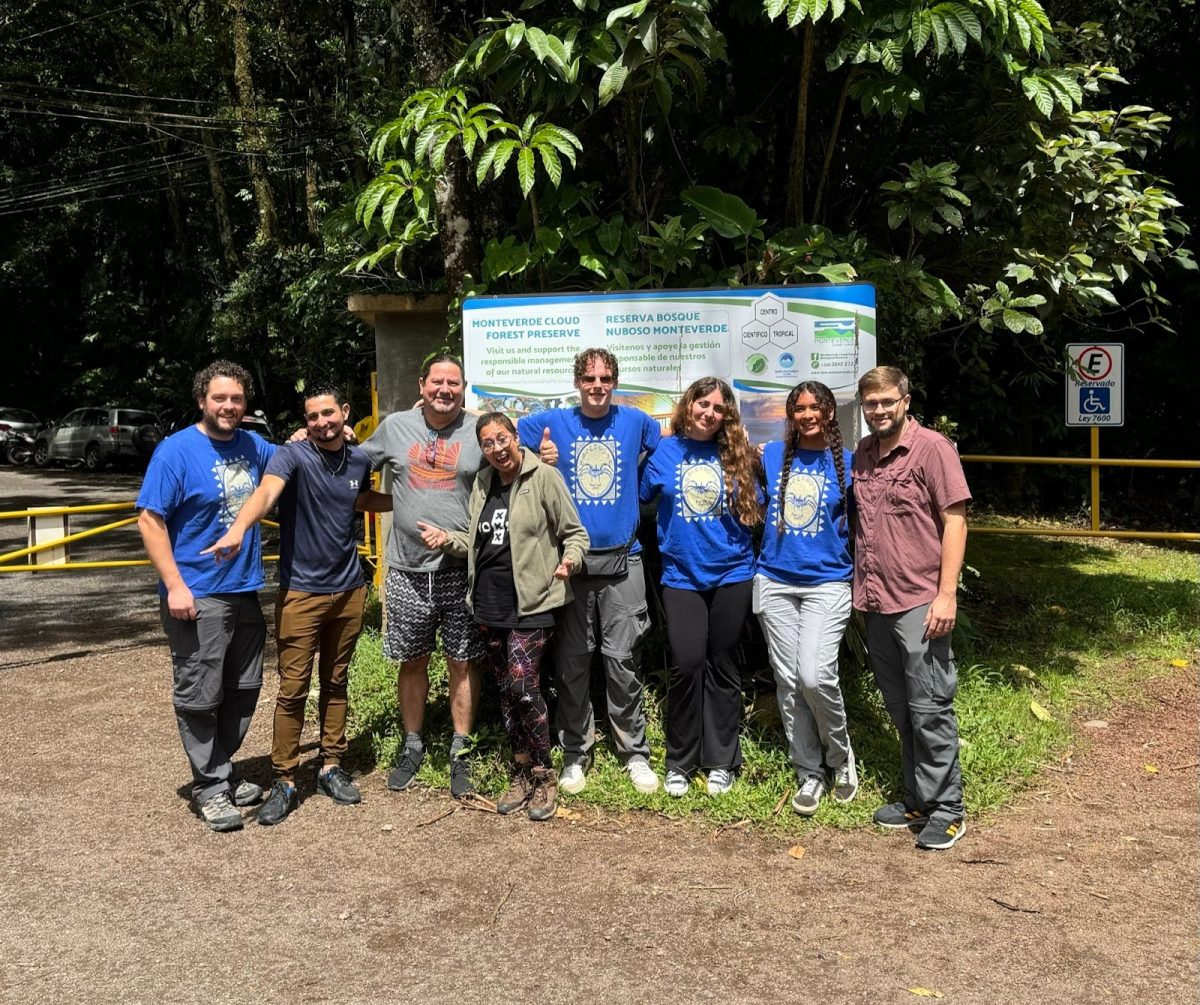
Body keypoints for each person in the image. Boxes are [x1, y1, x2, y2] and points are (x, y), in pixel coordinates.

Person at [202, 383, 392, 826]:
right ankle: (284, 779)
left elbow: (358, 499)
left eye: (329, 413)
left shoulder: (359, 458)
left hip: (348, 592)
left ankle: (330, 766)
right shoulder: (292, 456)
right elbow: (267, 494)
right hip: (301, 594)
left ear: (345, 411)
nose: (322, 423)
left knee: (337, 681)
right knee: (292, 690)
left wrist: (410, 501)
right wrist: (238, 530)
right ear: (304, 422)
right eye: (312, 417)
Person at [417, 413, 588, 821]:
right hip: (489, 604)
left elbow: (575, 533)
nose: (496, 448)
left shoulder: (543, 476)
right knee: (507, 695)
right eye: (487, 443)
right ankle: (521, 769)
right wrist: (448, 540)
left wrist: (570, 561)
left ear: (515, 438)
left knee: (524, 687)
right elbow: (478, 541)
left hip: (532, 603)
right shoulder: (482, 483)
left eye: (502, 439)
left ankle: (545, 776)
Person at [136, 360, 275, 832]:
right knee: (200, 692)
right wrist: (175, 584)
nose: (229, 406)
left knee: (244, 688)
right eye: (220, 398)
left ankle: (220, 765)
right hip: (197, 593)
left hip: (244, 588)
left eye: (236, 399)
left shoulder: (254, 446)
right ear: (202, 400)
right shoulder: (175, 452)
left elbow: (295, 461)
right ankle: (211, 787)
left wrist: (304, 437)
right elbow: (150, 520)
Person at [515, 348, 661, 796]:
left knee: (623, 661)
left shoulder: (637, 421)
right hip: (570, 564)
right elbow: (498, 437)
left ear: (615, 381)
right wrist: (536, 454)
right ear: (577, 381)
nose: (597, 386)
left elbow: (671, 444)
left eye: (606, 378)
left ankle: (634, 753)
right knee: (573, 663)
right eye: (589, 378)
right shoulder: (552, 422)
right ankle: (576, 752)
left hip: (624, 560)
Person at [357, 353, 488, 799]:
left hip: (462, 571)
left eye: (454, 383)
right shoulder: (395, 427)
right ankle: (412, 744)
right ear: (422, 384)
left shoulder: (478, 430)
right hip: (408, 570)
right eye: (437, 382)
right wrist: (382, 504)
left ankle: (461, 748)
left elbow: (512, 466)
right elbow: (348, 466)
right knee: (412, 660)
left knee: (462, 662)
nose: (445, 390)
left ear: (464, 388)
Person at [852, 366, 971, 850]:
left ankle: (949, 808)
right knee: (902, 710)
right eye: (870, 403)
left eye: (886, 402)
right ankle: (919, 798)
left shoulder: (932, 449)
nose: (879, 410)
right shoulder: (863, 453)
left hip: (920, 601)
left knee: (930, 709)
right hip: (876, 602)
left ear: (905, 401)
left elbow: (956, 520)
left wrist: (947, 593)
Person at [639, 377, 762, 797]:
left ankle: (721, 761)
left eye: (718, 408)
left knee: (723, 665)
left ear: (726, 415)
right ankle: (681, 760)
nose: (709, 413)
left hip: (732, 573)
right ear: (688, 405)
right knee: (687, 663)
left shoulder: (736, 454)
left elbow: (758, 507)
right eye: (702, 404)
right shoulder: (665, 451)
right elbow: (638, 494)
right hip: (682, 576)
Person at [755, 381, 858, 816]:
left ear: (831, 412)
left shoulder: (851, 465)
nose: (808, 414)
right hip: (775, 580)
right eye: (799, 408)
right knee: (789, 681)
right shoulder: (772, 456)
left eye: (816, 407)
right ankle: (809, 772)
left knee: (816, 676)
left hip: (828, 582)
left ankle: (841, 759)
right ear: (791, 415)